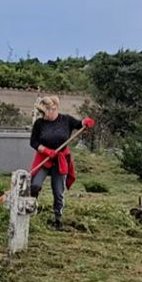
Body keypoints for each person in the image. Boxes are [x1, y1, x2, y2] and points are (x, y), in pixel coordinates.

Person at [29, 96, 95, 229]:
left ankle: (57, 218)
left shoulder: (66, 120)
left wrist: (86, 122)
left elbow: (79, 124)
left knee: (58, 191)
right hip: (44, 158)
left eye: (43, 112)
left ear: (53, 109)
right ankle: (31, 211)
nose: (42, 115)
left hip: (60, 160)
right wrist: (46, 151)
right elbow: (34, 142)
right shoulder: (39, 123)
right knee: (35, 185)